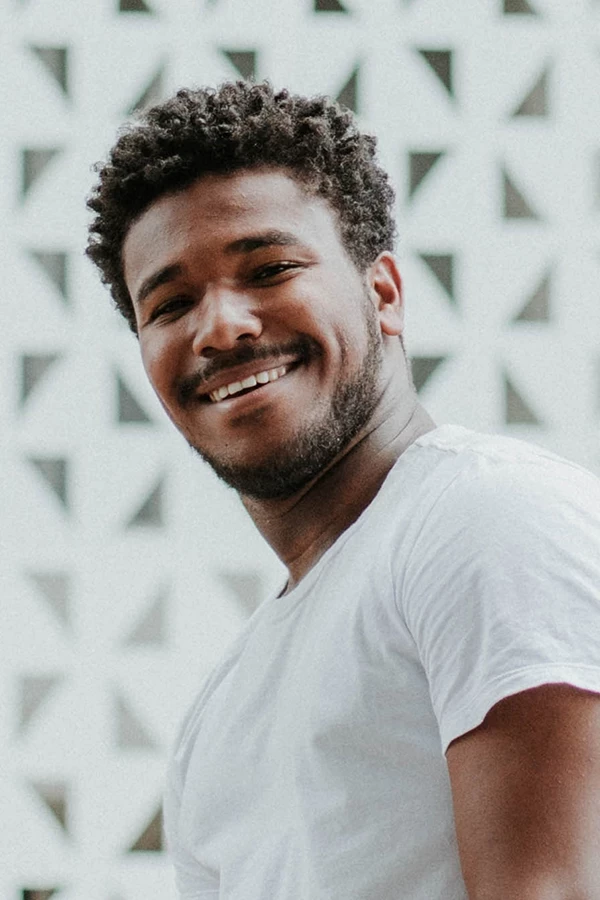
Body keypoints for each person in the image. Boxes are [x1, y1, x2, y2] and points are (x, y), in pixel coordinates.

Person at [86, 80, 600, 899]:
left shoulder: (486, 520)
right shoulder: (217, 717)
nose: (221, 327)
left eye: (270, 268)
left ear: (384, 294)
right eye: (171, 304)